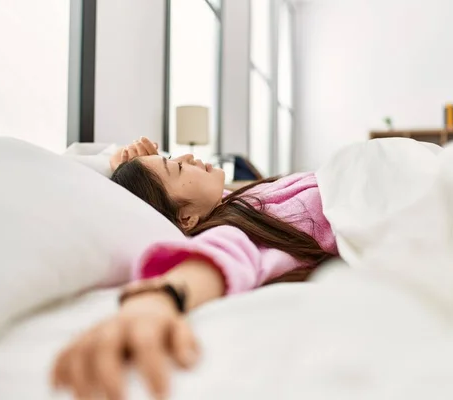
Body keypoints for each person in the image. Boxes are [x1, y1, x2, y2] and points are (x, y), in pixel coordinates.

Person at [52, 136, 338, 400]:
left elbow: (189, 196)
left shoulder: (236, 202)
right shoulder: (246, 226)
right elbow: (225, 249)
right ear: (187, 218)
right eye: (176, 167)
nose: (187, 156)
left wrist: (125, 167)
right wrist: (159, 297)